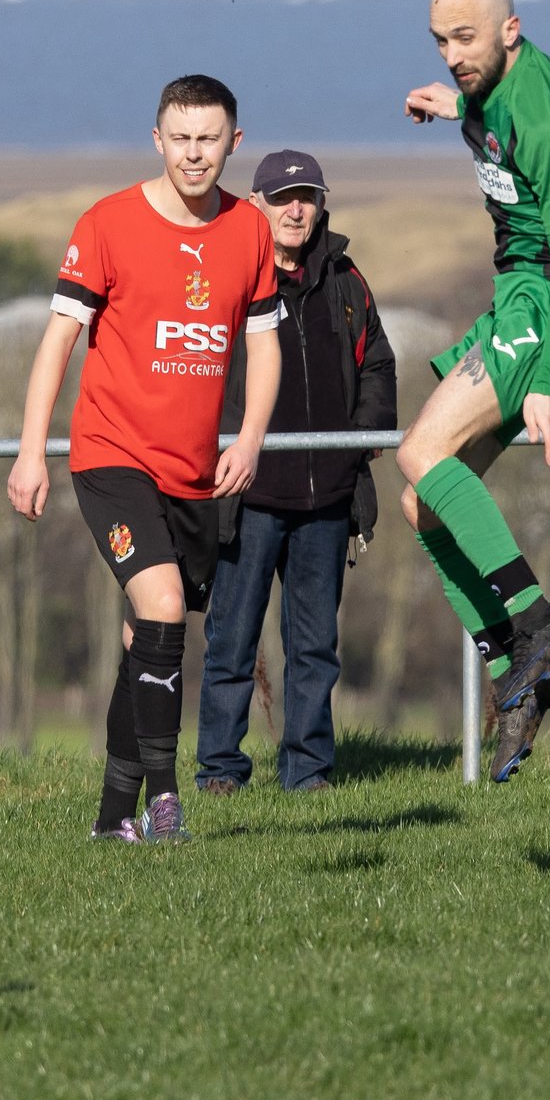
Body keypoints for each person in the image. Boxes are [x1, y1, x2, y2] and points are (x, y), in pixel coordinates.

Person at [5, 75, 282, 844]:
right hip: (110, 459)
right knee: (161, 611)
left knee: (147, 642)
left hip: (193, 474)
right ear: (157, 141)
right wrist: (32, 453)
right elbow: (57, 342)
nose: (196, 155)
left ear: (234, 142)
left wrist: (251, 436)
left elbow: (263, 346)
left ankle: (107, 821)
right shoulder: (106, 224)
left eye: (210, 139)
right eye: (181, 139)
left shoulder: (250, 232)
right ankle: (165, 803)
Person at [396, 0, 550, 783]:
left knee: (418, 455)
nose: (452, 53)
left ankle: (535, 622)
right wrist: (452, 103)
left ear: (511, 29)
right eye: (441, 40)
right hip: (518, 295)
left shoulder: (546, 121)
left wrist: (545, 378)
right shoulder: (492, 90)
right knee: (423, 506)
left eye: (466, 38)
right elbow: (486, 111)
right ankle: (520, 677)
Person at [196, 149, 398, 792]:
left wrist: (359, 444)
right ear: (254, 204)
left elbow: (379, 366)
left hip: (328, 503)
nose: (295, 208)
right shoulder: (229, 277)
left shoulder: (345, 278)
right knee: (231, 644)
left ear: (320, 202)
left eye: (306, 196)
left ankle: (308, 774)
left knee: (315, 651)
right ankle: (221, 772)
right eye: (281, 197)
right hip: (246, 496)